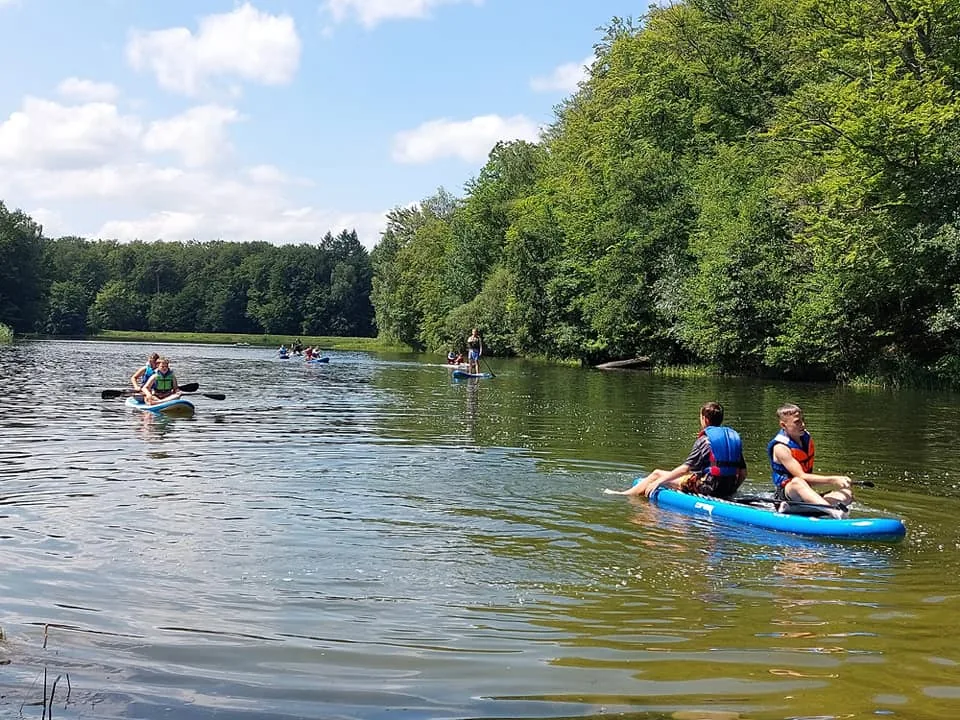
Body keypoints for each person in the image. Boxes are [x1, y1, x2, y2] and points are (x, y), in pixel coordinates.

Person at [608, 401, 747, 499]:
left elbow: (685, 469)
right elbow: (743, 473)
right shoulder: (731, 439)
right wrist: (732, 490)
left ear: (704, 419)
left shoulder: (705, 440)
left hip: (709, 488)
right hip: (728, 487)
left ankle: (624, 495)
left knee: (657, 473)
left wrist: (658, 482)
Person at [768, 403, 852, 518]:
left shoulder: (805, 439)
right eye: (797, 422)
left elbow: (809, 481)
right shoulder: (780, 448)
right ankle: (834, 512)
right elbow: (801, 476)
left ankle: (799, 509)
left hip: (804, 493)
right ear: (783, 425)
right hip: (787, 494)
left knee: (847, 494)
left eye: (803, 420)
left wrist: (839, 482)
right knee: (798, 481)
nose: (803, 424)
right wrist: (833, 479)